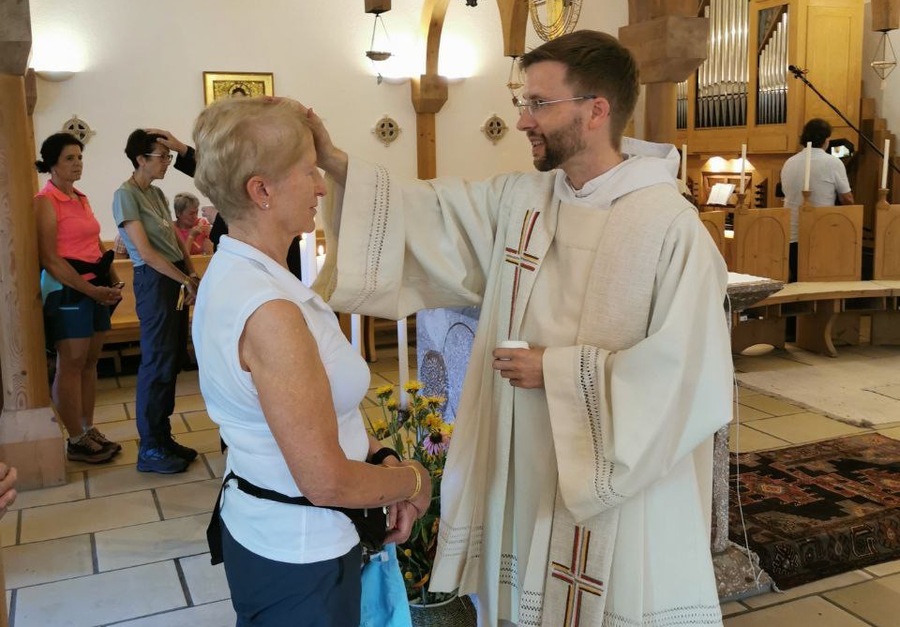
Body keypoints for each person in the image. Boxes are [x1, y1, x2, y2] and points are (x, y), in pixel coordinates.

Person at [310, 30, 733, 626]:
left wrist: (556, 371)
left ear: (596, 111)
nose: (522, 120)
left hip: (617, 475)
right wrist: (335, 163)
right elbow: (429, 214)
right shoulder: (523, 200)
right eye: (523, 101)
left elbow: (690, 374)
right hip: (526, 456)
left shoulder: (668, 226)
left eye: (539, 103)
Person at [190, 96, 431, 626]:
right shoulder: (270, 311)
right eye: (308, 171)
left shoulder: (237, 270)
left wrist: (382, 456)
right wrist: (415, 481)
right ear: (262, 191)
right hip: (299, 552)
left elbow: (313, 420)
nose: (321, 187)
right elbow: (324, 481)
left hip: (274, 529)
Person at [113, 129, 201, 474]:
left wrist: (191, 273)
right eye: (161, 157)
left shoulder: (157, 193)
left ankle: (163, 438)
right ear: (140, 159)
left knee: (172, 358)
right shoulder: (126, 195)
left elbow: (175, 241)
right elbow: (147, 253)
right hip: (155, 281)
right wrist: (184, 280)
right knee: (157, 362)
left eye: (168, 156)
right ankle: (149, 447)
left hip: (174, 276)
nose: (167, 162)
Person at [34, 132, 123, 464]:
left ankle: (87, 427)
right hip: (67, 289)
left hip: (95, 286)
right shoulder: (45, 201)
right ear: (52, 163)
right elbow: (50, 258)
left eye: (80, 157)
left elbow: (94, 242)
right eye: (69, 158)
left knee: (89, 362)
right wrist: (89, 290)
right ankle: (74, 438)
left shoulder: (81, 198)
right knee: (70, 364)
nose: (77, 164)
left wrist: (111, 279)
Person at [780, 118, 854, 282]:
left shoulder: (789, 163)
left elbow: (787, 193)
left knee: (798, 278)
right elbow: (847, 198)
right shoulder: (833, 163)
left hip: (791, 233)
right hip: (821, 232)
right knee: (819, 281)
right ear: (826, 139)